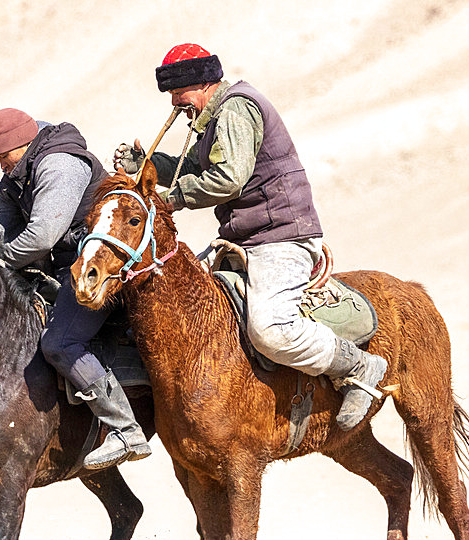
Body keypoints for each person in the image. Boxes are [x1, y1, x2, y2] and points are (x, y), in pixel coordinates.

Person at [113, 43, 387, 430]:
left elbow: (227, 179)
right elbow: (190, 168)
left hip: (279, 236)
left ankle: (360, 365)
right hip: (246, 239)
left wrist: (171, 199)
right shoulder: (212, 119)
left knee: (271, 331)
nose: (175, 102)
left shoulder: (236, 108)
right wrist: (148, 164)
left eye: (179, 92)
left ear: (204, 82)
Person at [0, 108, 152, 470]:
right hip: (55, 269)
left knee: (59, 343)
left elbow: (41, 236)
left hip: (91, 271)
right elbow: (1, 234)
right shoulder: (16, 175)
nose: (1, 164)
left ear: (24, 143)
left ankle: (123, 427)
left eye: (5, 156)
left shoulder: (59, 165)